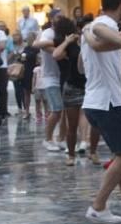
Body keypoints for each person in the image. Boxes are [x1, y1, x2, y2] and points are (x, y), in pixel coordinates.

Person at [81, 0, 121, 224]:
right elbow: (99, 29)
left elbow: (82, 65)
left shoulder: (91, 28)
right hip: (108, 102)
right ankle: (98, 205)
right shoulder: (103, 24)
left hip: (94, 100)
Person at [52, 17, 87, 167]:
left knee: (94, 121)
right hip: (72, 85)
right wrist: (67, 41)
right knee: (71, 124)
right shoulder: (68, 43)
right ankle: (71, 155)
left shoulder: (87, 41)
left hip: (89, 85)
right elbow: (56, 55)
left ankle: (91, 150)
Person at [33, 20, 66, 152]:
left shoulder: (64, 33)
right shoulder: (47, 33)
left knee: (64, 111)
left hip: (62, 76)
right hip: (50, 77)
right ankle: (47, 139)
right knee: (57, 109)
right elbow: (48, 49)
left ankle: (61, 138)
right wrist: (64, 45)